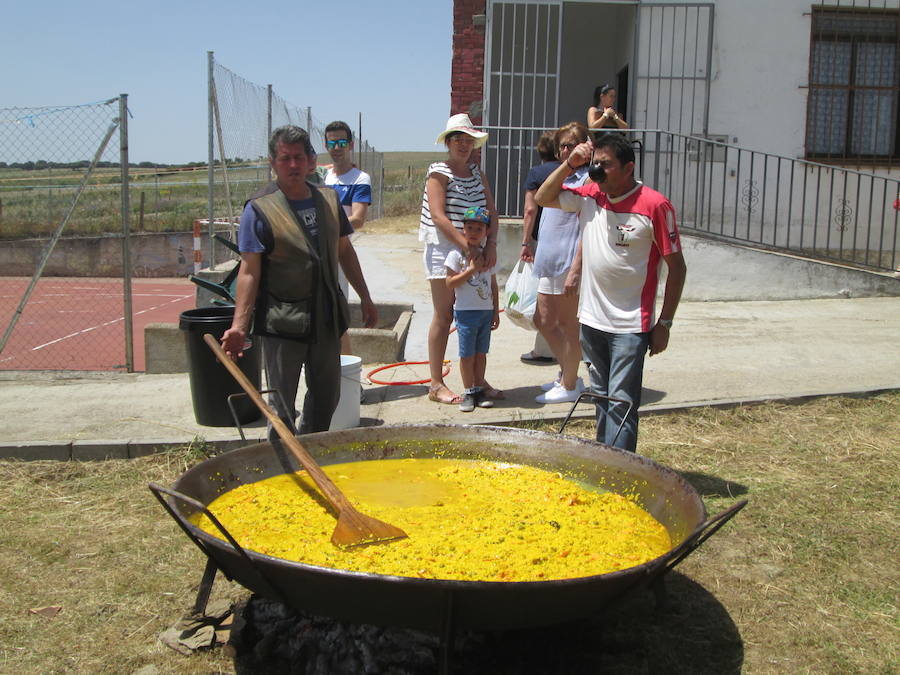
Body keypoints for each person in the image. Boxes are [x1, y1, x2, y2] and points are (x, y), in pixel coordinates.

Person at [220, 125, 378, 438]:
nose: (292, 165)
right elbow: (250, 272)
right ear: (272, 161)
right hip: (283, 323)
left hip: (325, 319)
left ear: (309, 160)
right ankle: (282, 465)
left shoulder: (328, 199)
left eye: (298, 157)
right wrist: (239, 325)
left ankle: (308, 455)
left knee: (326, 397)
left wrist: (365, 297)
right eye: (284, 158)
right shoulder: (259, 209)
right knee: (280, 407)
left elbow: (344, 251)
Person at [535, 133, 686, 452]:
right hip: (591, 322)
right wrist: (569, 163)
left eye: (606, 164)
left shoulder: (655, 205)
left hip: (630, 327)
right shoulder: (590, 195)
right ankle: (607, 464)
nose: (597, 170)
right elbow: (543, 197)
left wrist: (665, 324)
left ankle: (620, 475)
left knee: (621, 403)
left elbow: (678, 268)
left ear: (628, 168)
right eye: (595, 163)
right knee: (602, 400)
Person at [419, 113, 500, 405]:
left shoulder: (478, 173)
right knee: (445, 313)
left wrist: (490, 245)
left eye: (469, 140)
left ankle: (477, 381)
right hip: (445, 249)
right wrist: (468, 249)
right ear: (448, 142)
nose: (464, 145)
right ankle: (436, 383)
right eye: (458, 140)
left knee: (477, 310)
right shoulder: (438, 171)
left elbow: (491, 213)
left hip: (476, 249)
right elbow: (439, 217)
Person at [523, 122, 591, 404]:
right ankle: (568, 374)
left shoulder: (588, 180)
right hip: (548, 259)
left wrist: (576, 267)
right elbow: (537, 202)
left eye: (573, 144)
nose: (566, 150)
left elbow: (587, 227)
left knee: (567, 324)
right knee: (542, 319)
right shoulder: (561, 175)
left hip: (567, 261)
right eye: (562, 145)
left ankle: (570, 382)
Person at [444, 206, 500, 412]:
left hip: (485, 312)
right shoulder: (455, 255)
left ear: (486, 232)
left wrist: (495, 310)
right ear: (463, 230)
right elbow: (450, 283)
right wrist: (471, 270)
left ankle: (479, 389)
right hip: (466, 313)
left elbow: (493, 285)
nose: (474, 233)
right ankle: (468, 391)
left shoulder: (489, 256)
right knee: (467, 355)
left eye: (479, 229)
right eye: (470, 228)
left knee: (480, 354)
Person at [324, 120, 373, 356]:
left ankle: (348, 379)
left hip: (340, 255)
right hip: (319, 255)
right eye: (332, 142)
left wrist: (329, 230)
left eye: (342, 142)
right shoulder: (323, 177)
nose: (337, 147)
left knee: (337, 315)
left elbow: (358, 218)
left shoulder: (360, 178)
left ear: (350, 144)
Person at [519, 131, 559, 366]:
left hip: (544, 240)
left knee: (545, 298)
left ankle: (545, 349)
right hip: (570, 239)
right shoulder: (571, 172)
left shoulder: (537, 173)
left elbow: (530, 210)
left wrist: (525, 242)